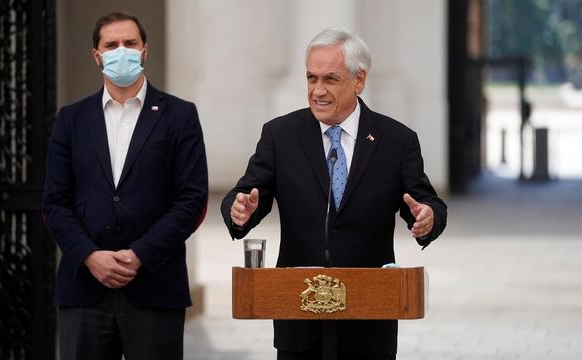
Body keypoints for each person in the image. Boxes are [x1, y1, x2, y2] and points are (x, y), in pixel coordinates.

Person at [221, 28, 447, 360]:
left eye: (330, 79)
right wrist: (239, 210)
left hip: (369, 320)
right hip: (299, 317)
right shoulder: (280, 135)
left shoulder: (396, 140)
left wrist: (427, 217)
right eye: (311, 78)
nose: (318, 91)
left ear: (359, 80)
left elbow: (428, 203)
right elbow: (245, 194)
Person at [42, 11, 208, 360]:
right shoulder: (71, 120)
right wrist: (89, 256)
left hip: (155, 286)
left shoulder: (179, 116)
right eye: (111, 44)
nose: (122, 51)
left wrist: (140, 255)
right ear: (97, 55)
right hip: (83, 290)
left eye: (130, 43)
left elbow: (192, 200)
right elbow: (55, 202)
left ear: (144, 50)